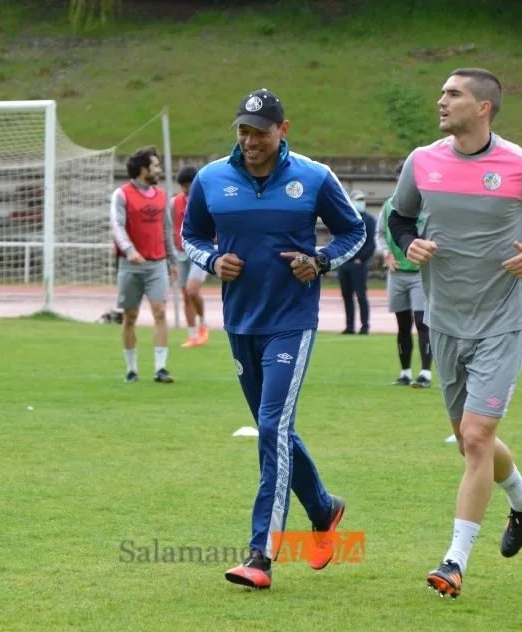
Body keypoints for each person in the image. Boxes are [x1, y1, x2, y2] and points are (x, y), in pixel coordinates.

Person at [388, 68, 522, 599]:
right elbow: (400, 219)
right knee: (470, 439)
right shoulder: (421, 161)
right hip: (443, 319)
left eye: (453, 94)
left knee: (476, 438)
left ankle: (454, 560)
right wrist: (409, 244)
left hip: (500, 322)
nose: (440, 101)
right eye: (443, 93)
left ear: (483, 107)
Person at [181, 88, 367, 590]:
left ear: (283, 131)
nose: (250, 141)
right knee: (274, 429)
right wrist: (212, 261)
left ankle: (261, 555)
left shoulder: (313, 176)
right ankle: (324, 508)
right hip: (240, 321)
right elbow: (190, 236)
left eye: (260, 132)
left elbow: (355, 233)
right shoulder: (210, 179)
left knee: (271, 424)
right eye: (242, 130)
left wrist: (321, 260)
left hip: (292, 319)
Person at [110, 146, 178, 383]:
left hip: (156, 264)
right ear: (143, 169)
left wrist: (172, 260)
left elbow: (167, 230)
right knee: (130, 316)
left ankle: (161, 368)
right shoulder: (122, 195)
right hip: (130, 266)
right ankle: (131, 369)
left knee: (160, 312)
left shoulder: (162, 196)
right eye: (156, 165)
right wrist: (129, 251)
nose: (159, 170)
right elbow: (117, 226)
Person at [376, 163, 432, 387]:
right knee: (402, 324)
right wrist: (386, 252)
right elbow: (380, 233)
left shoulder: (427, 206)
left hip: (419, 273)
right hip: (397, 272)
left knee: (422, 322)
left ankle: (426, 373)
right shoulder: (390, 205)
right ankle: (405, 372)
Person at [171, 165, 211, 348]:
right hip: (181, 252)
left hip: (202, 249)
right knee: (186, 295)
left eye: (189, 184)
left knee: (192, 290)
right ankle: (192, 335)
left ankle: (203, 325)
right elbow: (168, 227)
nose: (187, 189)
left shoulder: (206, 198)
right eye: (183, 186)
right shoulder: (174, 203)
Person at [336, 189, 377, 335]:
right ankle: (349, 326)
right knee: (346, 295)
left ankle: (365, 326)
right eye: (357, 199)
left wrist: (362, 258)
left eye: (362, 199)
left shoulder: (369, 220)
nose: (360, 202)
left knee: (360, 295)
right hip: (344, 262)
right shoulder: (344, 217)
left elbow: (371, 243)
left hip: (359, 263)